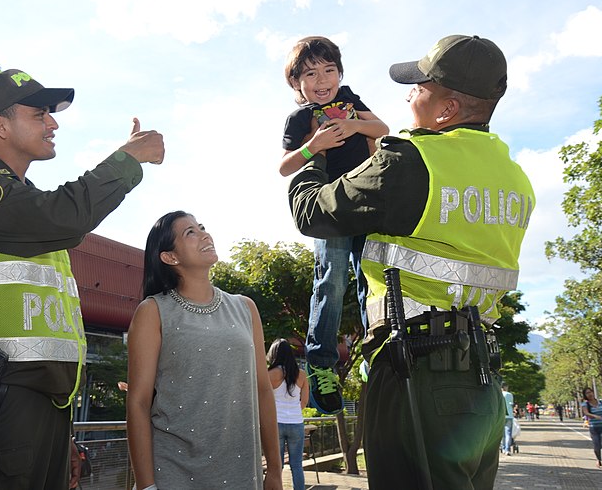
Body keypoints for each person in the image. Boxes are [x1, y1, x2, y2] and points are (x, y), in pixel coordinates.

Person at [289, 34, 535, 489]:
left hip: (416, 373)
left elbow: (312, 212)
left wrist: (313, 154)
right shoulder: (515, 178)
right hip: (481, 380)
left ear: (447, 109)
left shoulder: (412, 160)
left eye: (420, 86)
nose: (409, 94)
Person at [0, 68, 164, 490]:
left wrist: (55, 430)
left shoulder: (22, 203)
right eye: (39, 113)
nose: (53, 123)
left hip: (35, 406)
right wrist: (127, 161)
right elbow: (61, 217)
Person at [126, 211, 282, 489]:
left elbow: (262, 389)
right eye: (190, 233)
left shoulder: (246, 308)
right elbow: (138, 403)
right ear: (170, 257)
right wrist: (146, 486)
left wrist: (274, 469)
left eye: (202, 228)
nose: (205, 235)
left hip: (243, 473)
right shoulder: (152, 311)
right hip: (174, 474)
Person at [279, 36, 389, 414]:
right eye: (311, 73)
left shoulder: (351, 102)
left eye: (329, 70)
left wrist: (354, 124)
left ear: (340, 74)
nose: (322, 79)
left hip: (365, 203)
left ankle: (375, 354)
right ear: (297, 83)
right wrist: (316, 143)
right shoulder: (299, 118)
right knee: (333, 278)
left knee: (370, 278)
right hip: (329, 206)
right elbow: (284, 166)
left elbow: (383, 129)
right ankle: (321, 364)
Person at [267, 338, 309, 490]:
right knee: (297, 465)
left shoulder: (270, 374)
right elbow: (304, 402)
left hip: (275, 423)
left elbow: (262, 400)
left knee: (276, 465)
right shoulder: (302, 375)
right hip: (296, 423)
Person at [581, 387, 602, 471]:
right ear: (585, 395)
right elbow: (586, 413)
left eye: (590, 392)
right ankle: (598, 459)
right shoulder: (585, 404)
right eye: (587, 393)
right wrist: (594, 416)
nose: (589, 394)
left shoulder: (601, 402)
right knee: (597, 447)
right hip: (594, 429)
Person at [501, 384, 514, 455]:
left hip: (501, 416)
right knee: (508, 433)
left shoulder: (499, 394)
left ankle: (503, 448)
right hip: (509, 416)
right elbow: (511, 404)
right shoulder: (509, 394)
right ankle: (507, 449)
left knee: (502, 434)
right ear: (505, 387)